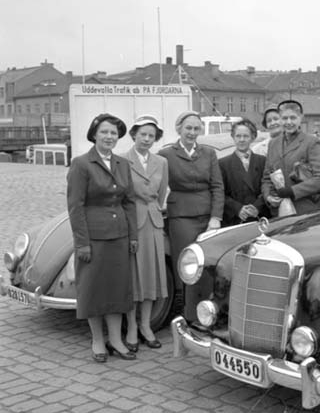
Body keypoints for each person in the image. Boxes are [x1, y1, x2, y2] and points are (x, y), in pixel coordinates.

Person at [67, 113, 137, 363]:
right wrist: (82, 243)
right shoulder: (81, 164)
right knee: (93, 290)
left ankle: (116, 340)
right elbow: (75, 207)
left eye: (114, 133)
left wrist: (132, 235)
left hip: (119, 236)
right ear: (94, 135)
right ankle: (97, 340)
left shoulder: (122, 164)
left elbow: (129, 202)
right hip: (94, 239)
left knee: (117, 290)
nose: (109, 137)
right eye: (104, 132)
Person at [122, 115, 168, 351]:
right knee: (133, 276)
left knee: (151, 274)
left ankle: (146, 325)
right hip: (132, 221)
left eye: (151, 136)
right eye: (143, 134)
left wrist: (153, 210)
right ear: (134, 135)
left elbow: (161, 194)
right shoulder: (122, 160)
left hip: (153, 222)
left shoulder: (161, 162)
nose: (147, 139)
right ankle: (131, 326)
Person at [158, 110, 224, 267]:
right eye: (188, 128)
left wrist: (216, 217)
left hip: (208, 216)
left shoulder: (209, 153)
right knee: (185, 260)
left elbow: (217, 186)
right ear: (179, 129)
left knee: (208, 261)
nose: (192, 133)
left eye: (196, 129)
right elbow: (156, 186)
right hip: (181, 216)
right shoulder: (165, 154)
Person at [262, 99, 320, 215]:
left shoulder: (311, 142)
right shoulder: (273, 144)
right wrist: (268, 196)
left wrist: (293, 191)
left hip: (306, 210)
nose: (289, 122)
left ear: (301, 118)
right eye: (284, 118)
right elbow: (267, 178)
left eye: (293, 118)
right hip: (279, 211)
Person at [219, 118, 269, 226]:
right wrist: (238, 209)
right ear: (233, 137)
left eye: (246, 136)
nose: (242, 139)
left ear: (253, 137)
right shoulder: (222, 164)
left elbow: (268, 187)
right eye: (238, 136)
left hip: (260, 218)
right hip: (234, 220)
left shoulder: (263, 161)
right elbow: (219, 193)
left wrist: (257, 207)